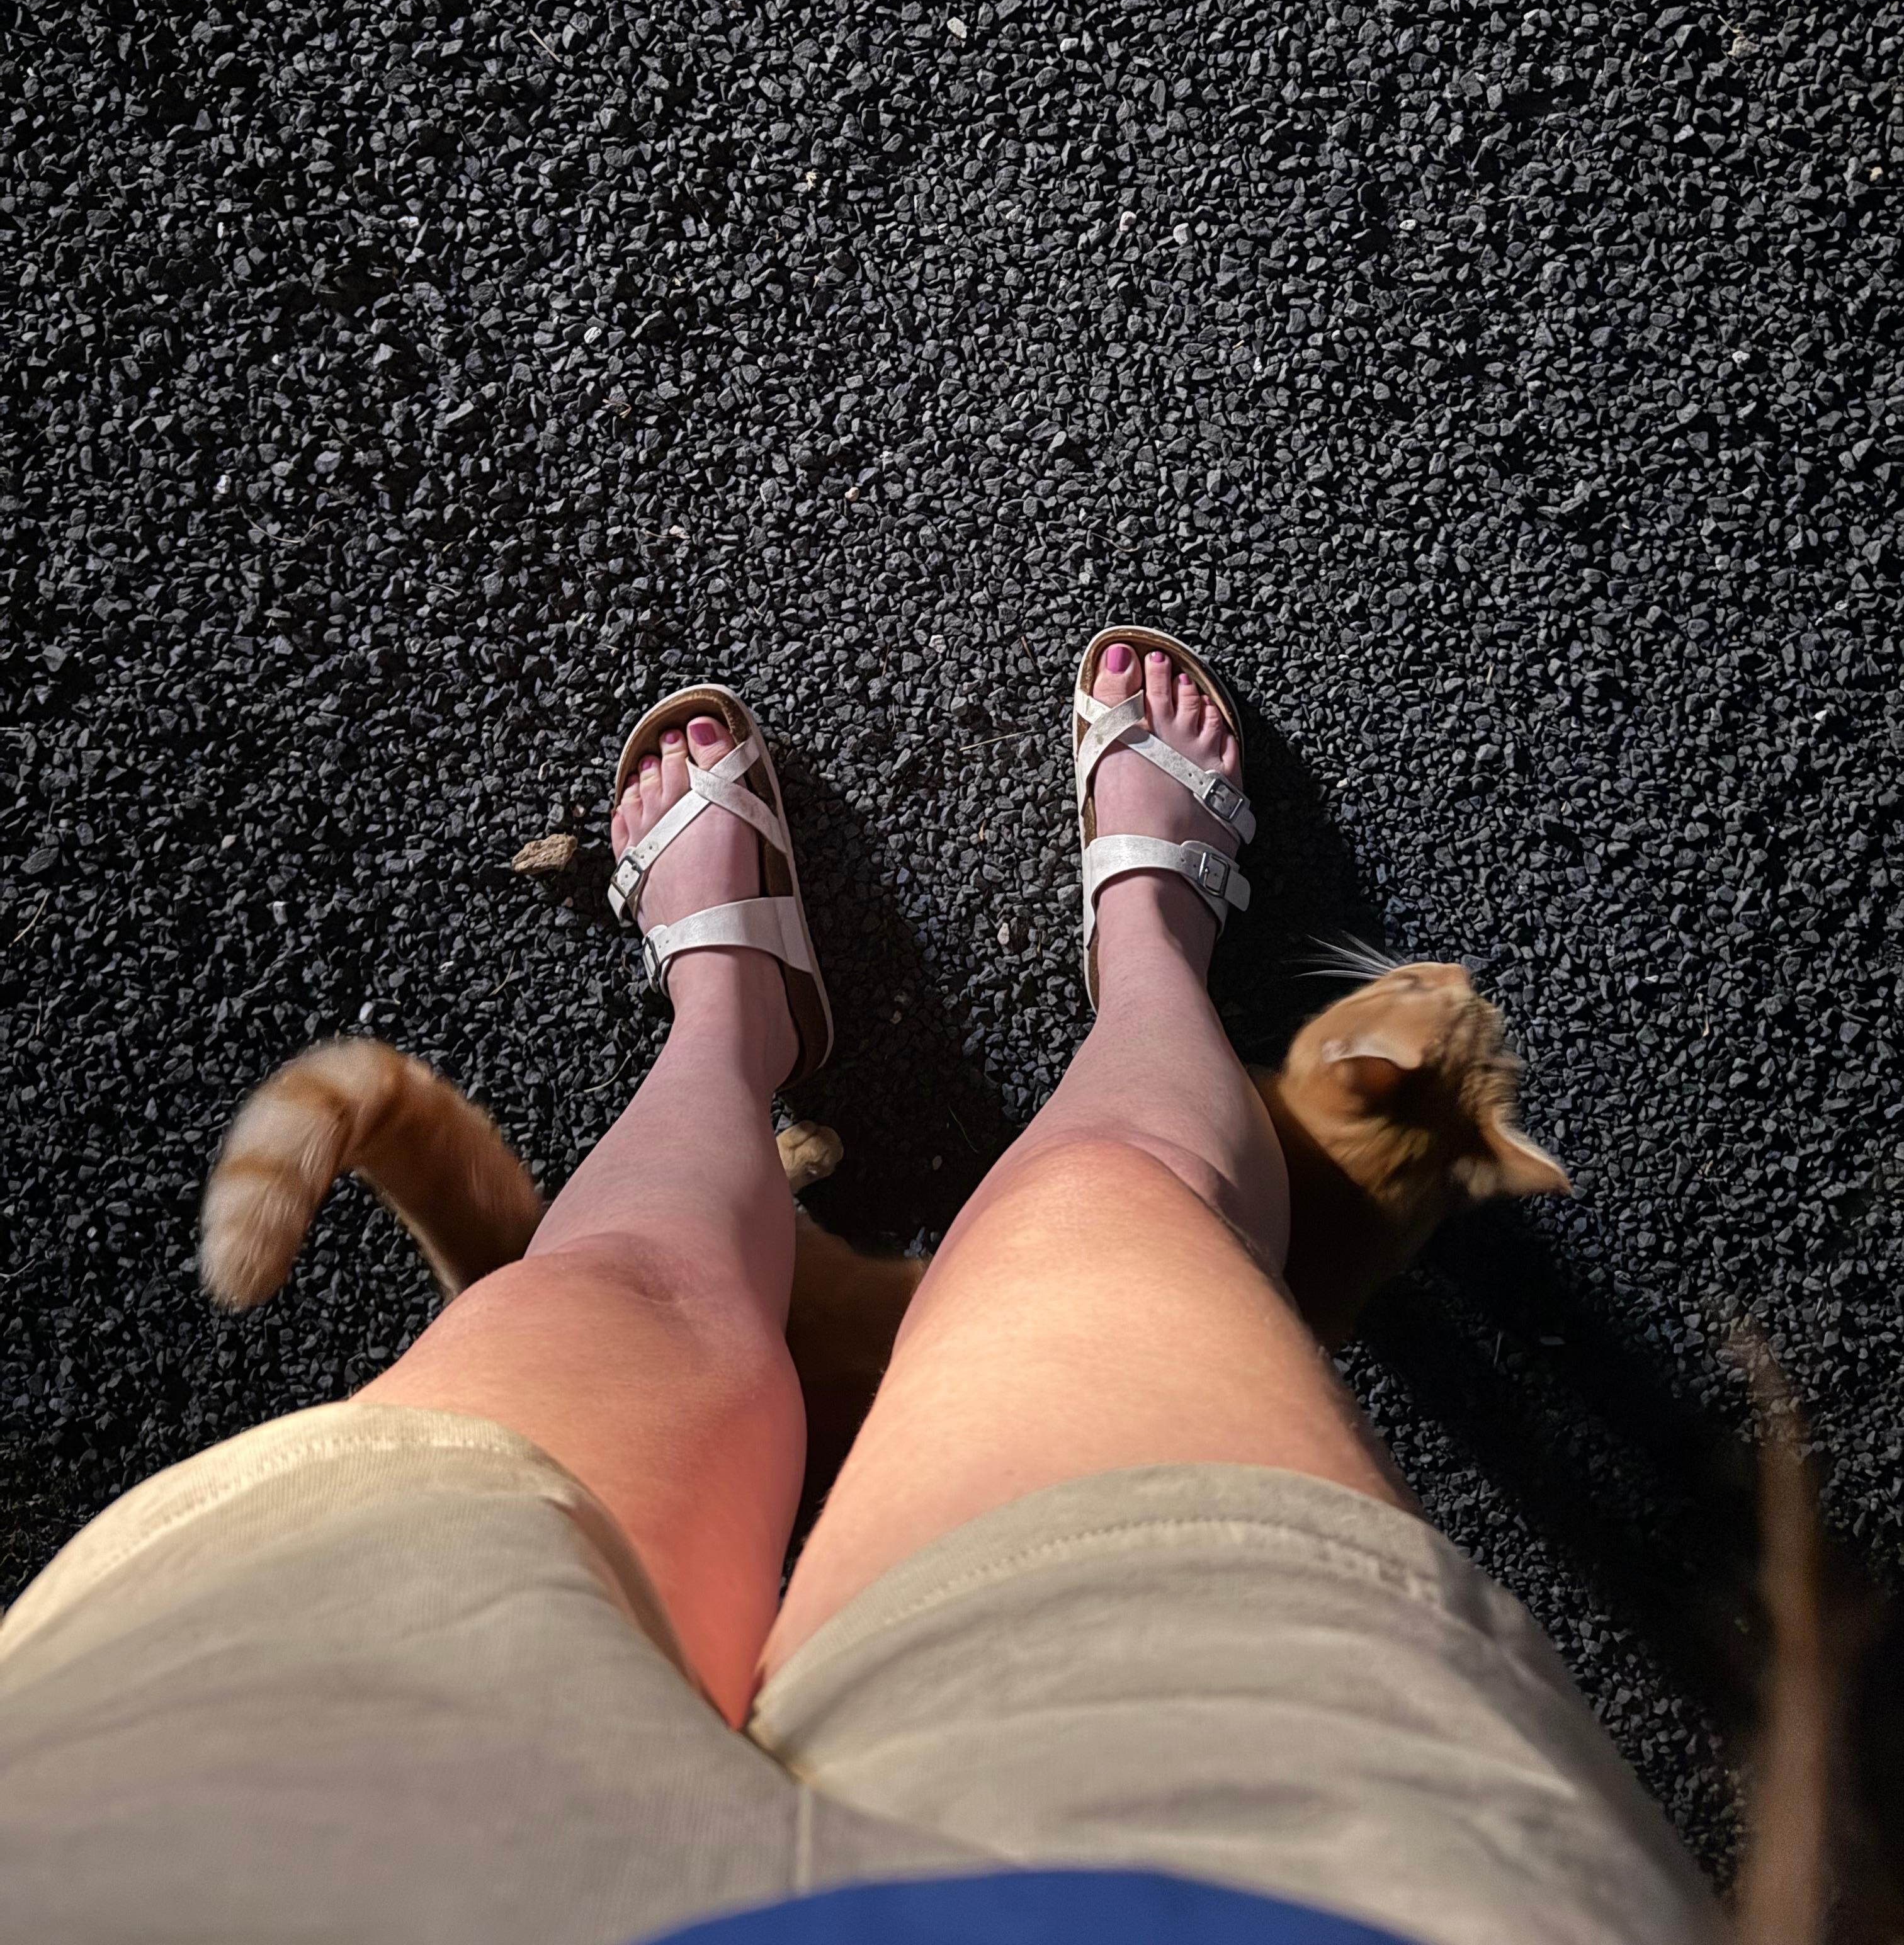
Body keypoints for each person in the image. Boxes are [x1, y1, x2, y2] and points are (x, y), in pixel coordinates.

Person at [0, 630, 1714, 1945]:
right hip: (1261, 1871)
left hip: (248, 1855)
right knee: (1115, 1217)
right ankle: (1146, 955)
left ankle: (732, 1016)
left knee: (598, 1304)